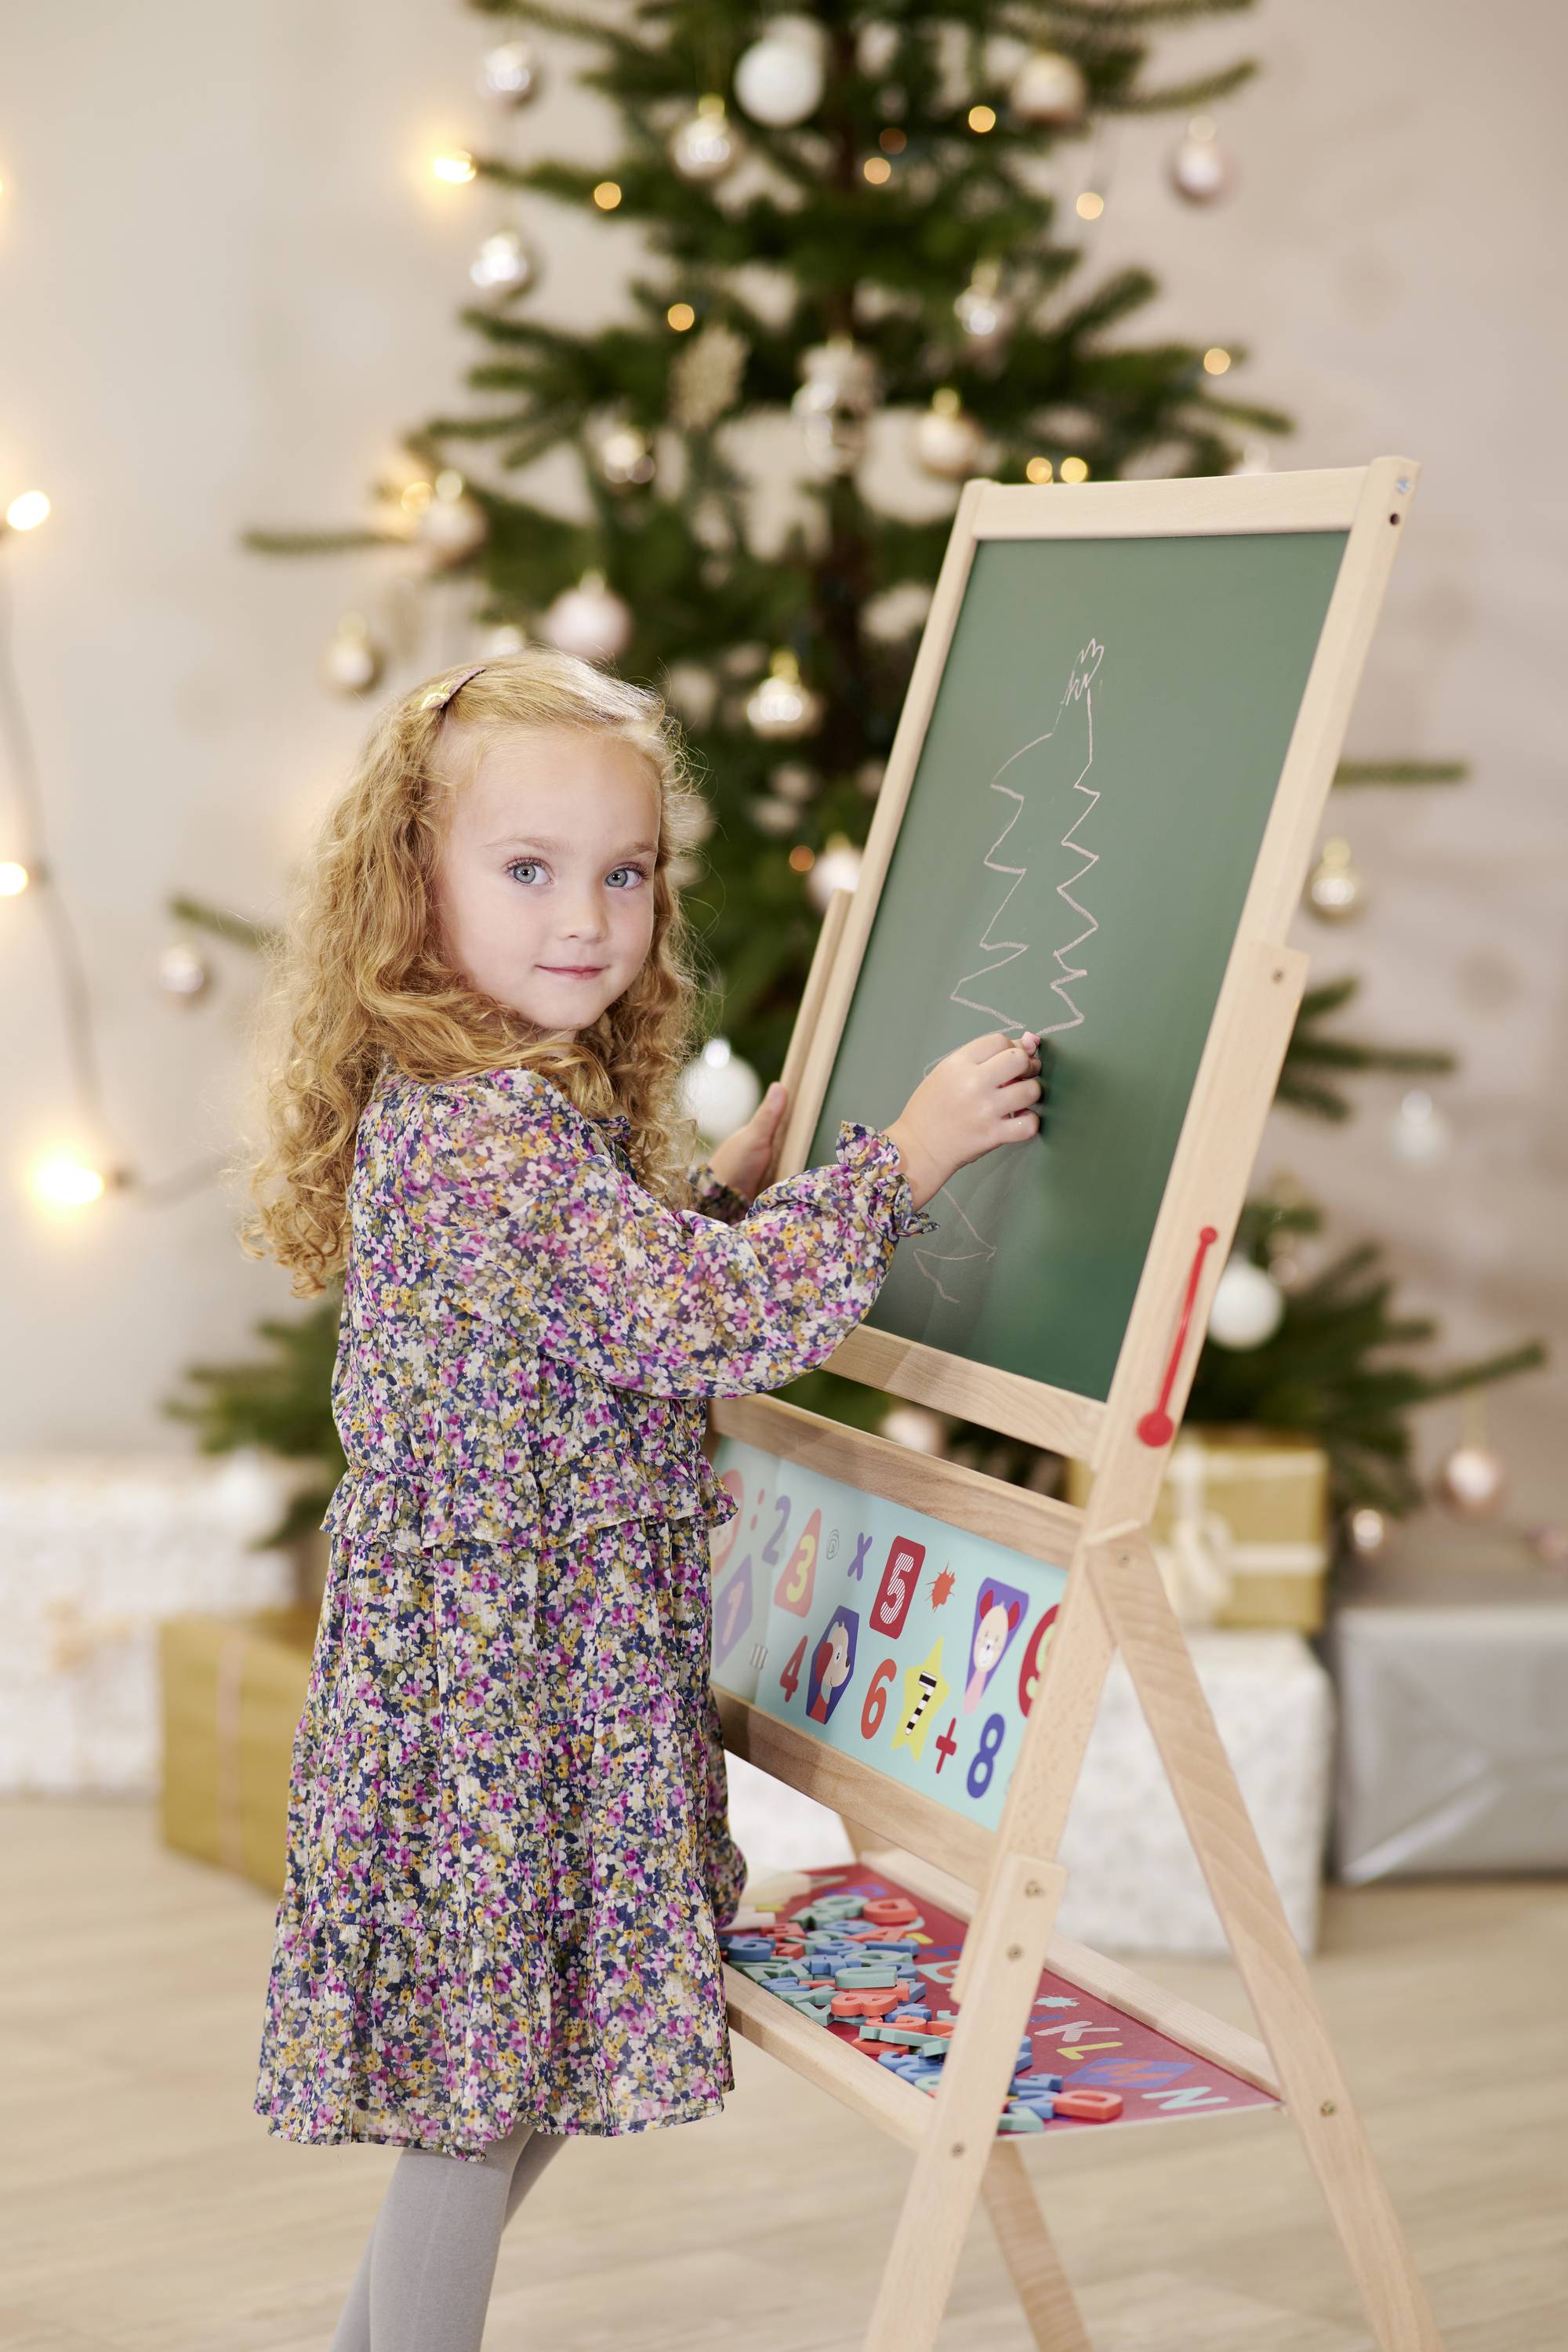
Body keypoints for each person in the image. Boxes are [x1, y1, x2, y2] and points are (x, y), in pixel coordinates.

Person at [235, 645, 1044, 2350]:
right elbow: (701, 1322)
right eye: (528, 869)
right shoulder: (489, 1138)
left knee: (503, 2080)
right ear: (416, 881)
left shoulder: (495, 1101)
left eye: (625, 873)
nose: (586, 918)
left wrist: (725, 1195)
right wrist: (905, 1157)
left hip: (525, 1675)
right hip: (500, 1695)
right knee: (478, 2105)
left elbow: (617, 1308)